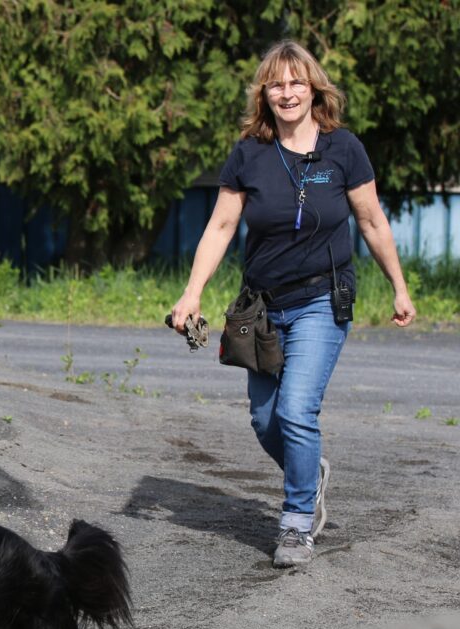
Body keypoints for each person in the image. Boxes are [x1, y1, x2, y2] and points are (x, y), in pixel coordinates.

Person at [171, 40, 416, 567]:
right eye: (276, 84)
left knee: (296, 409)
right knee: (265, 421)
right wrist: (193, 291)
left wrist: (398, 285)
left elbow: (372, 221)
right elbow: (221, 225)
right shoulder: (249, 153)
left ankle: (297, 523)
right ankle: (310, 471)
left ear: (314, 89)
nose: (287, 93)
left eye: (296, 83)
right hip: (261, 308)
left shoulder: (343, 149)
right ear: (264, 93)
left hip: (321, 300)